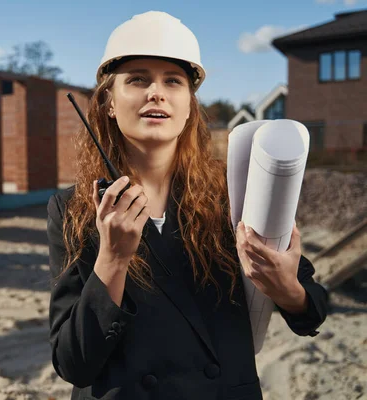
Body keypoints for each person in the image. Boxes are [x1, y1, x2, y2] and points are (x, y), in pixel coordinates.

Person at [46, 10, 328, 400]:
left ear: (189, 105)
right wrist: (112, 258)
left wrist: (287, 289)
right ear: (109, 102)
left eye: (172, 81)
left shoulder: (234, 194)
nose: (155, 92)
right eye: (137, 79)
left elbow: (312, 309)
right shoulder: (73, 209)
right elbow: (73, 362)